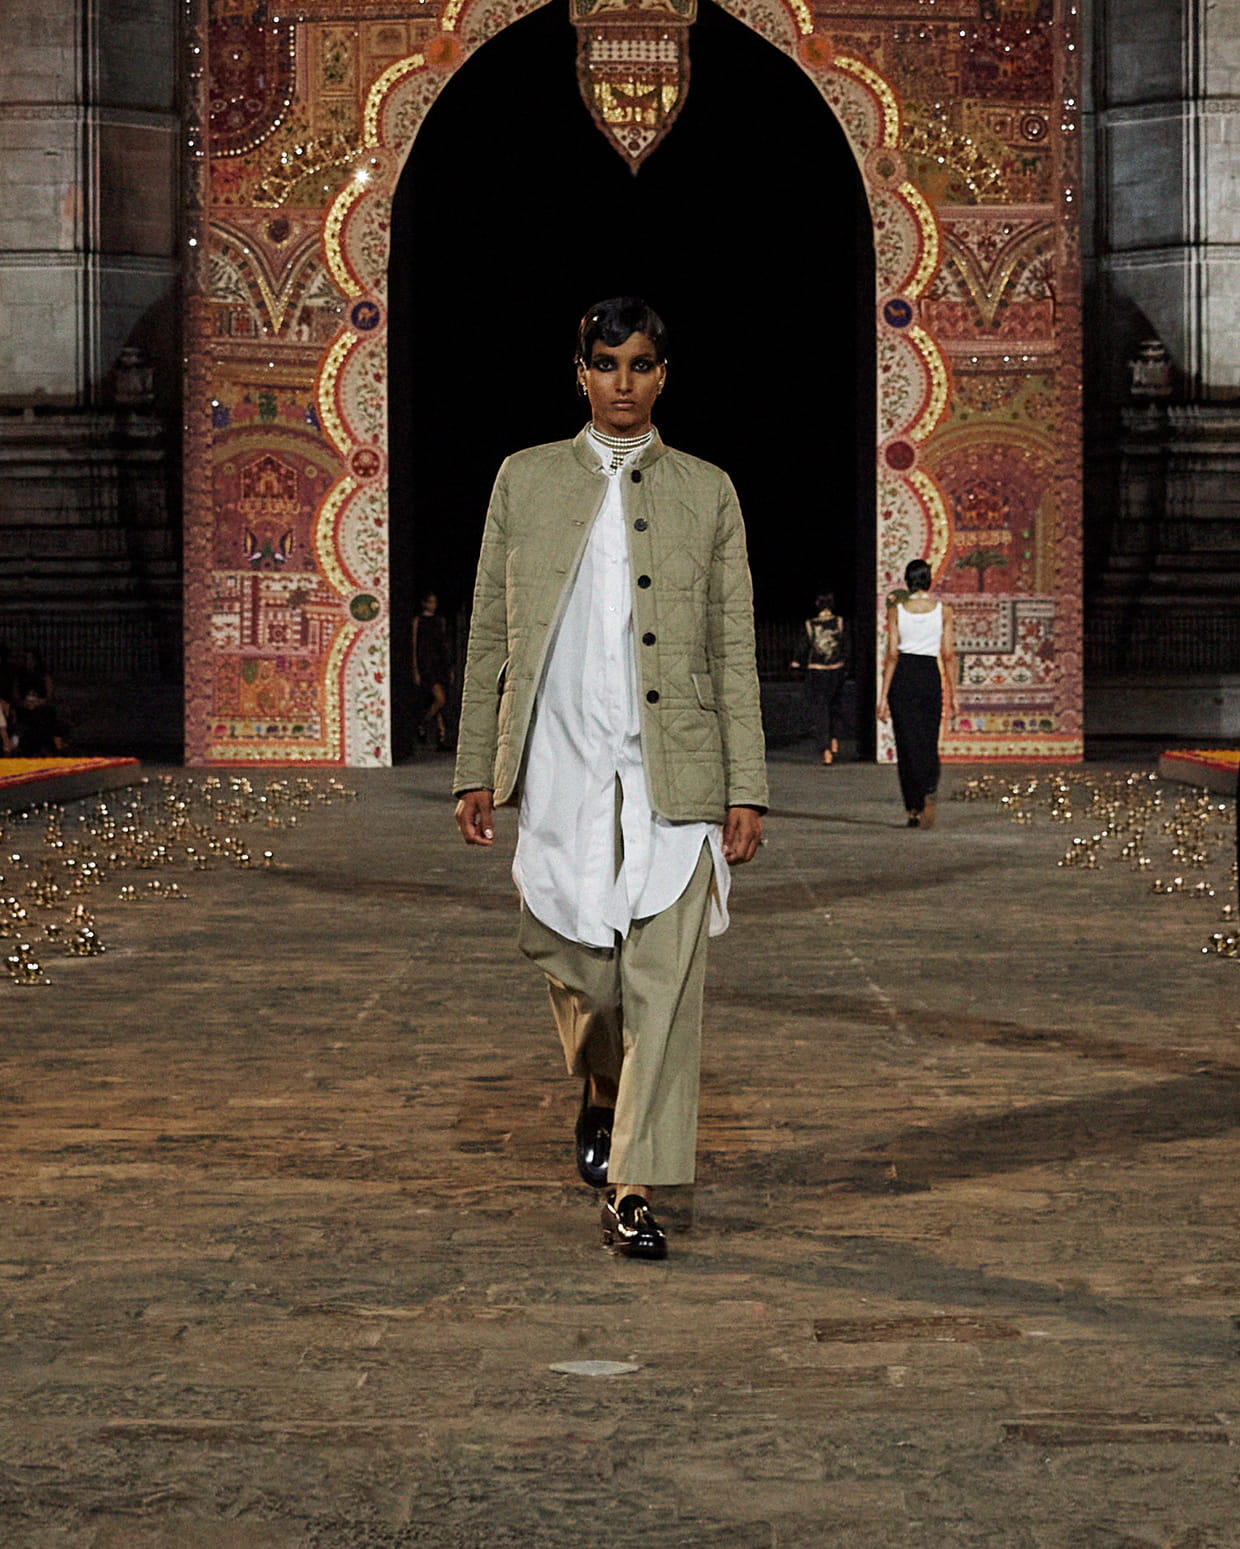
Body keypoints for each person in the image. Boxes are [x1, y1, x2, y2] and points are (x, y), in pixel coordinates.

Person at [453, 296, 767, 1261]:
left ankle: (634, 1186)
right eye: (606, 364)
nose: (622, 384)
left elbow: (734, 646)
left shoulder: (708, 491)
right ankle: (599, 1082)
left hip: (678, 771)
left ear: (663, 376)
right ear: (580, 372)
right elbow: (489, 633)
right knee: (587, 975)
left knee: (663, 988)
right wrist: (476, 766)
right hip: (562, 764)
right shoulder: (525, 479)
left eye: (640, 366)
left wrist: (746, 786)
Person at [877, 559, 956, 827]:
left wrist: (882, 697)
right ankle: (929, 786)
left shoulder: (897, 611)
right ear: (928, 580)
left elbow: (891, 655)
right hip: (929, 676)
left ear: (908, 581)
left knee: (907, 743)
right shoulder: (943, 611)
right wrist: (954, 695)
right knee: (928, 739)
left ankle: (913, 807)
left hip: (904, 677)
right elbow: (948, 655)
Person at [790, 592, 846, 765]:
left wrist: (796, 661)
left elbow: (804, 644)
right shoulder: (839, 622)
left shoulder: (811, 624)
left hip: (817, 670)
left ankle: (826, 749)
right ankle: (834, 739)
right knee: (835, 705)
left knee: (820, 709)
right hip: (836, 668)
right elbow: (846, 645)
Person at [411, 592, 453, 750]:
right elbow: (415, 646)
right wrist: (415, 669)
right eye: (430, 602)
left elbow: (443, 645)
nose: (432, 605)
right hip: (426, 664)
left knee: (441, 703)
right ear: (424, 603)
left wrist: (449, 667)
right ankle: (421, 722)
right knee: (439, 699)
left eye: (434, 602)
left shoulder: (439, 621)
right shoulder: (418, 621)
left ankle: (441, 738)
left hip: (439, 663)